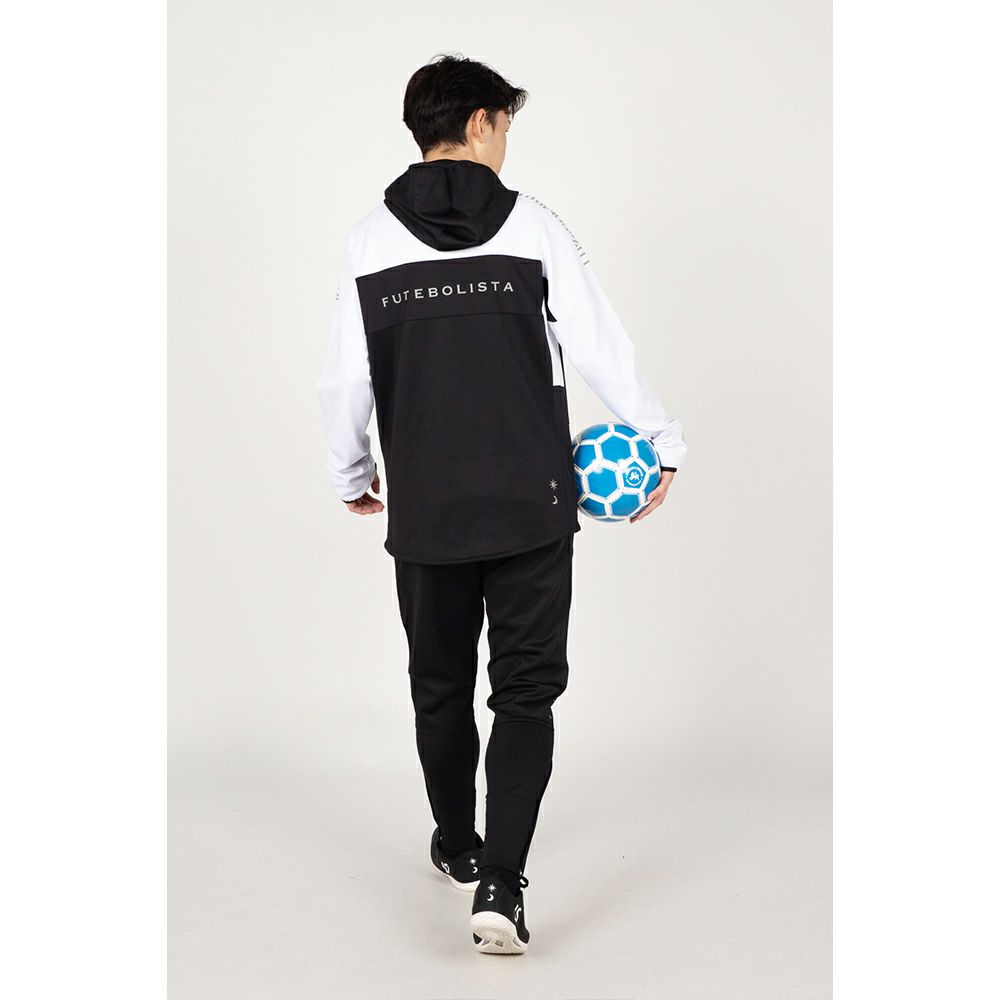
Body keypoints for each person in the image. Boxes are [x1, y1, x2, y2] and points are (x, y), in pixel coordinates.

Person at [317, 53, 686, 955]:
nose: (507, 141)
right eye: (506, 125)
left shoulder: (368, 241)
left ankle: (458, 843)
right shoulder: (535, 227)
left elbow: (344, 379)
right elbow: (600, 344)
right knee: (524, 694)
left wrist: (352, 471)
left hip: (428, 509)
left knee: (438, 689)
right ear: (480, 123)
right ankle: (501, 886)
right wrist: (662, 441)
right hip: (531, 502)